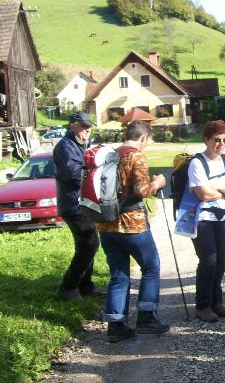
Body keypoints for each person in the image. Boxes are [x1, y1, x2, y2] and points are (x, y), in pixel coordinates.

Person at [98, 120, 170, 342]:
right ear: (143, 137)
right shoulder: (135, 156)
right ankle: (147, 318)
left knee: (119, 273)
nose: (147, 145)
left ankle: (115, 326)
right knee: (151, 266)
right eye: (148, 141)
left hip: (106, 223)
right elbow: (142, 190)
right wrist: (158, 182)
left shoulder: (108, 155)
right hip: (132, 223)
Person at [188, 120, 225, 322]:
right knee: (208, 260)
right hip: (202, 218)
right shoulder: (197, 163)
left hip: (222, 216)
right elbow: (203, 194)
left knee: (221, 261)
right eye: (216, 140)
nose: (221, 144)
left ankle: (216, 301)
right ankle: (202, 305)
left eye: (224, 140)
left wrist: (217, 188)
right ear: (206, 140)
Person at [53, 111, 101, 301]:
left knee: (86, 244)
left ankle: (85, 286)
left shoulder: (79, 145)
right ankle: (68, 287)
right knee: (90, 244)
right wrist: (97, 170)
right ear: (72, 125)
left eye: (89, 126)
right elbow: (74, 176)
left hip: (82, 203)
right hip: (73, 205)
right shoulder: (66, 147)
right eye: (84, 125)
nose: (88, 129)